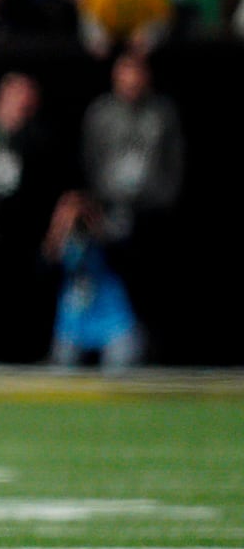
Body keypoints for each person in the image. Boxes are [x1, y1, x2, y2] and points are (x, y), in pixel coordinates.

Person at [80, 52, 183, 340]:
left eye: (136, 74)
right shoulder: (100, 114)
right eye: (124, 74)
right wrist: (101, 202)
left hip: (153, 215)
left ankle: (152, 345)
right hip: (111, 213)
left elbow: (173, 163)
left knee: (154, 284)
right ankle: (116, 341)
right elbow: (91, 161)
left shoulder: (162, 113)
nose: (130, 82)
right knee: (112, 282)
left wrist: (161, 199)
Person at [0, 73, 60, 362]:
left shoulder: (38, 140)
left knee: (23, 309)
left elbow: (45, 190)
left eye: (27, 103)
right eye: (16, 99)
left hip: (24, 242)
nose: (20, 107)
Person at [42, 190, 143, 370]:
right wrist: (60, 224)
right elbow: (45, 266)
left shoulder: (109, 232)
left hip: (114, 323)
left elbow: (121, 253)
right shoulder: (62, 240)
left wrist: (93, 221)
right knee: (59, 381)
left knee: (119, 384)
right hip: (72, 325)